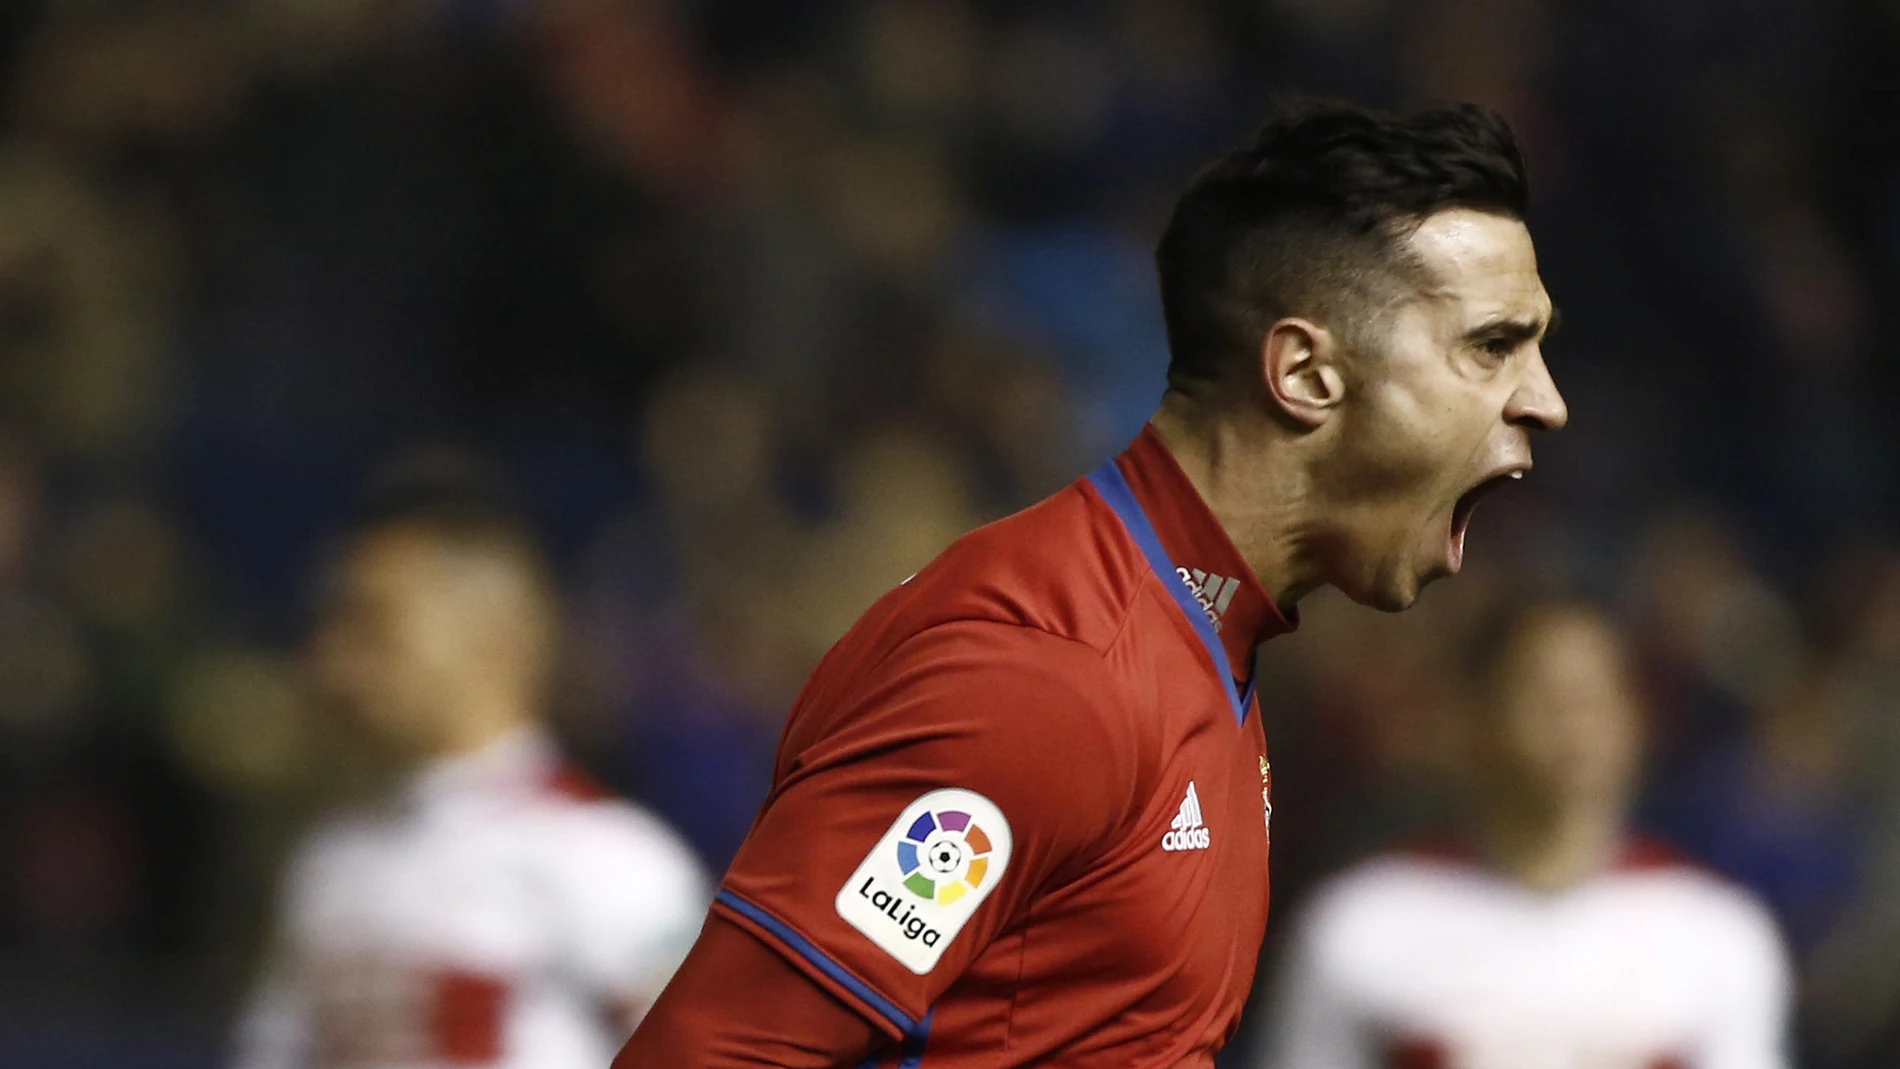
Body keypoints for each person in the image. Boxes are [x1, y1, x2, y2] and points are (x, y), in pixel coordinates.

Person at [616, 96, 1569, 1068]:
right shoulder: (1047, 676)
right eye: (1491, 346)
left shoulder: (1197, 637)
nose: (1545, 401)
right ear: (1304, 372)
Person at [232, 465, 708, 1069]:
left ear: (491, 631)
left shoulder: (607, 858)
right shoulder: (331, 858)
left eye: (374, 625)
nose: (335, 661)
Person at [1256, 599, 1791, 1069]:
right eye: (1545, 696)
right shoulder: (1364, 923)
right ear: (1475, 720)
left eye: (1594, 696)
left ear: (1638, 720)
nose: (1573, 723)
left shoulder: (1713, 933)